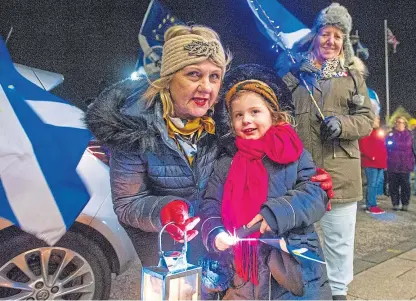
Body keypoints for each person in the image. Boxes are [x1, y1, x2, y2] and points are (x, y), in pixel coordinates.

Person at [85, 24, 334, 298]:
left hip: (227, 256)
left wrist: (310, 185)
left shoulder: (224, 120)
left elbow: (265, 161)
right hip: (173, 257)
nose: (206, 87)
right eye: (194, 74)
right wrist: (165, 209)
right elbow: (127, 203)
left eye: (215, 76)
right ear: (169, 77)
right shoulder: (133, 129)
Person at [200, 64, 331, 300]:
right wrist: (215, 232)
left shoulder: (295, 154)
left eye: (255, 112)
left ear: (273, 114)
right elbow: (211, 202)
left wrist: (276, 213)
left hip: (292, 265)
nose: (246, 120)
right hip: (243, 272)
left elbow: (315, 194)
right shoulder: (226, 163)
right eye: (238, 115)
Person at [278, 3, 374, 300]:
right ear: (315, 36)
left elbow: (367, 120)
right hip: (301, 171)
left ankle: (338, 291)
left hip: (340, 171)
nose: (330, 41)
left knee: (338, 238)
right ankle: (303, 287)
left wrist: (342, 124)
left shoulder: (352, 76)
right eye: (325, 33)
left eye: (337, 35)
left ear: (344, 41)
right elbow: (279, 111)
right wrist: (293, 75)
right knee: (301, 235)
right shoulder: (296, 72)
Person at [359, 116, 387, 214]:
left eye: (379, 119)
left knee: (375, 184)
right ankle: (372, 206)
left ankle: (369, 204)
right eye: (376, 119)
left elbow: (382, 146)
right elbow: (362, 146)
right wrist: (372, 156)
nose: (378, 121)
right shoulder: (367, 131)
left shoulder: (378, 132)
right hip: (371, 162)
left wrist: (384, 161)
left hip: (379, 162)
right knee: (372, 184)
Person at [386, 116, 415, 211]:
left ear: (405, 124)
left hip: (405, 165)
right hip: (393, 164)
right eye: (397, 122)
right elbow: (387, 146)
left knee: (406, 186)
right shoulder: (390, 134)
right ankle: (395, 203)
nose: (398, 124)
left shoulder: (410, 135)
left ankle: (405, 204)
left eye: (400, 122)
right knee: (393, 186)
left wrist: (395, 145)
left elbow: (410, 147)